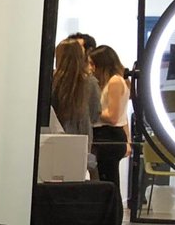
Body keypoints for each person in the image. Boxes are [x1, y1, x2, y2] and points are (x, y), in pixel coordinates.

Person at [51, 39, 101, 174]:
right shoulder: (90, 83)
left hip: (53, 141)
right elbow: (95, 113)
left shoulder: (51, 82)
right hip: (82, 141)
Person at [90, 45, 131, 193]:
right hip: (109, 135)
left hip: (108, 135)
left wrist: (92, 111)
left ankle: (113, 213)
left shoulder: (115, 81)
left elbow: (113, 116)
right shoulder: (114, 81)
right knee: (107, 179)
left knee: (109, 182)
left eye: (92, 63)